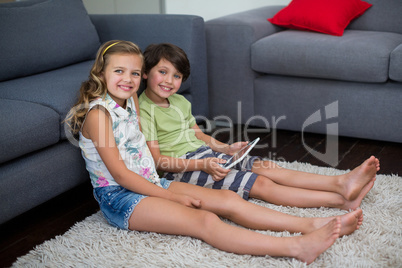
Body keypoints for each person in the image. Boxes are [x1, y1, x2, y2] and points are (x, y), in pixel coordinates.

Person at [65, 40, 364, 264]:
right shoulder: (98, 116)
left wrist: (214, 154)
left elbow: (182, 140)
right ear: (101, 73)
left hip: (152, 184)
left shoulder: (129, 102)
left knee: (229, 198)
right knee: (205, 220)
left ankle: (310, 225)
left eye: (134, 73)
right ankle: (296, 248)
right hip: (120, 197)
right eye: (119, 71)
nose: (128, 79)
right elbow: (120, 174)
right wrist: (174, 194)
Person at [139, 43, 380, 211]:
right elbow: (159, 162)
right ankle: (339, 202)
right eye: (163, 72)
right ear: (145, 73)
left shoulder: (180, 101)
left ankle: (341, 183)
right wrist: (203, 164)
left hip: (206, 156)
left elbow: (198, 134)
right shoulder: (143, 109)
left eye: (177, 76)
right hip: (181, 169)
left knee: (267, 167)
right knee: (261, 184)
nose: (170, 81)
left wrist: (226, 149)